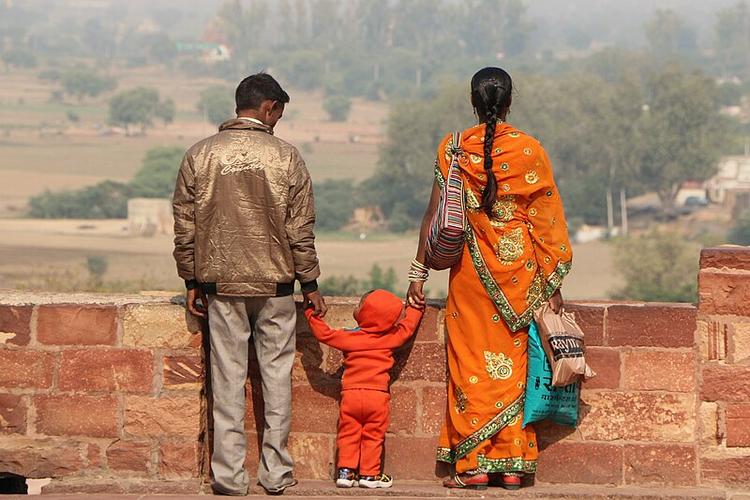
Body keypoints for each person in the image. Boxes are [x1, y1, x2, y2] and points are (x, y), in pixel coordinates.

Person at [406, 67, 572, 490]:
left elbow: (434, 216)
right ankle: (514, 465)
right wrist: (552, 284)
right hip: (522, 277)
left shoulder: (454, 148)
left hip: (470, 277)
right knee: (517, 366)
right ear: (511, 102)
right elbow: (547, 223)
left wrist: (418, 273)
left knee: (470, 364)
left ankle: (474, 464)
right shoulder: (530, 151)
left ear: (472, 103)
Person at [172, 73, 327, 496]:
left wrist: (190, 278)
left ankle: (228, 477)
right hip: (276, 286)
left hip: (220, 285)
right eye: (279, 113)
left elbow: (185, 226)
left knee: (227, 379)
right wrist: (309, 282)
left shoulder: (199, 155)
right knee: (277, 380)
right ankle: (275, 473)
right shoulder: (287, 157)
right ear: (269, 109)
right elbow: (301, 230)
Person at [304, 289, 423, 489]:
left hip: (350, 395)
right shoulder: (391, 338)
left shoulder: (349, 338)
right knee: (373, 435)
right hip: (377, 397)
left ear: (365, 314)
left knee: (348, 433)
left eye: (360, 305)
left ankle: (346, 472)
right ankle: (369, 475)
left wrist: (310, 313)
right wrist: (416, 307)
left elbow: (324, 334)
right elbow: (408, 327)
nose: (356, 307)